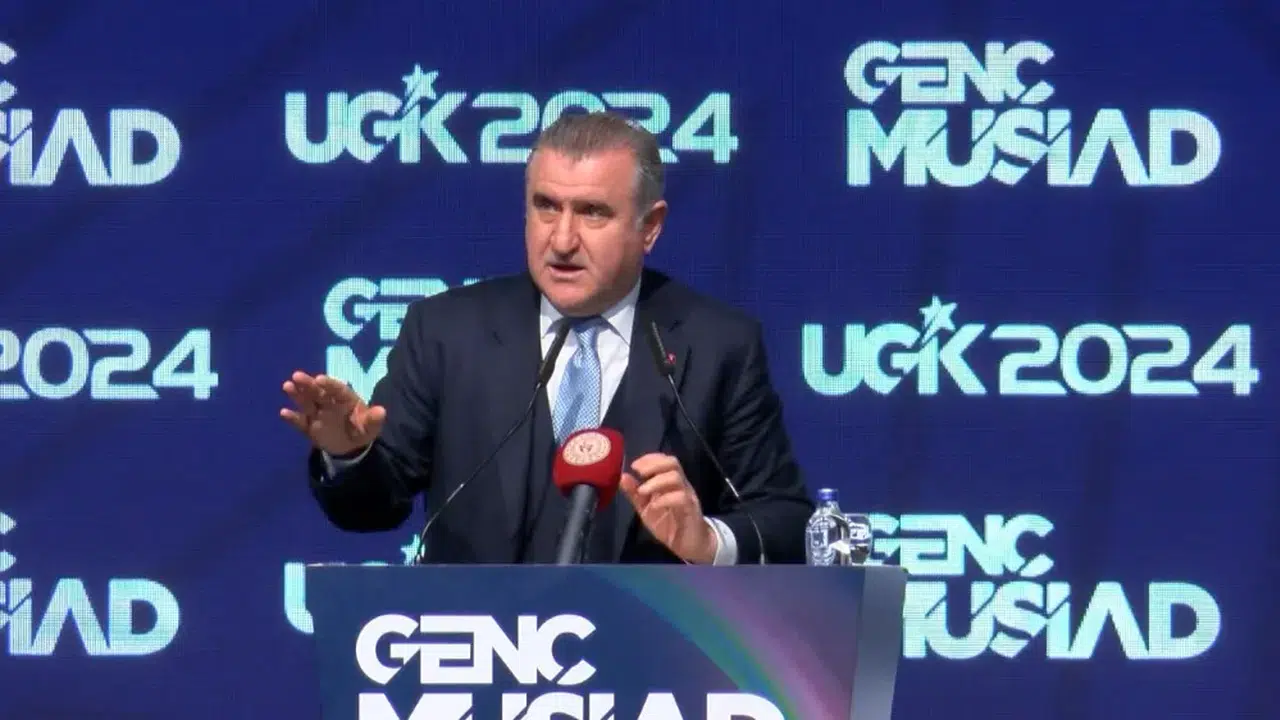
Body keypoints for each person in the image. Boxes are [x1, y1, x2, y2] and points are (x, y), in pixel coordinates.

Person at [280, 111, 814, 564]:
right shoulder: (445, 330)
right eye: (546, 206)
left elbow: (787, 522)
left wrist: (708, 541)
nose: (561, 240)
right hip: (480, 644)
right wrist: (349, 456)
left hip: (652, 647)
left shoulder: (717, 344)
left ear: (650, 226)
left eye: (592, 213)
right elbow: (373, 508)